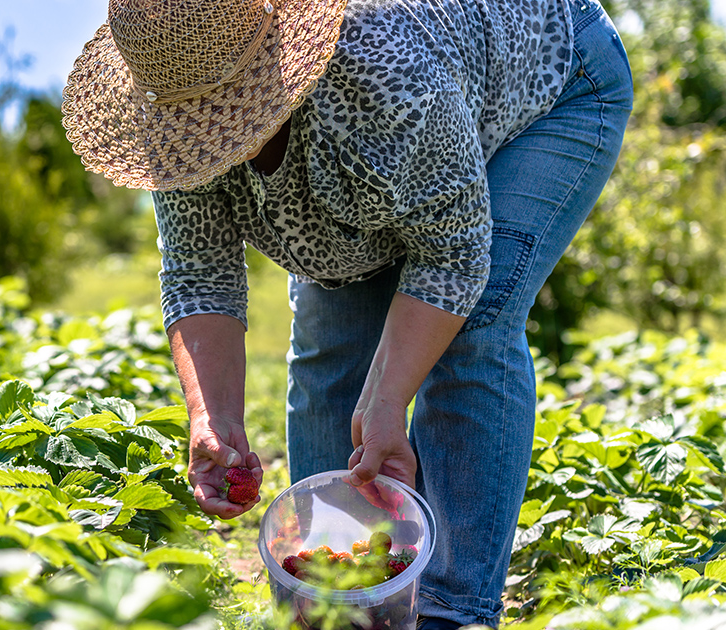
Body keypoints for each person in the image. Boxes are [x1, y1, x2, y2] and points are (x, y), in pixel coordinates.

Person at [61, 0, 632, 627]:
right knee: (330, 355)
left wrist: (386, 404)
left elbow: (451, 258)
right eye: (194, 122)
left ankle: (452, 607)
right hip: (407, 147)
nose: (207, 132)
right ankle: (340, 599)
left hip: (545, 80)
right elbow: (201, 276)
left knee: (473, 327)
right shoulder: (179, 115)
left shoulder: (381, 77)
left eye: (220, 115)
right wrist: (213, 419)